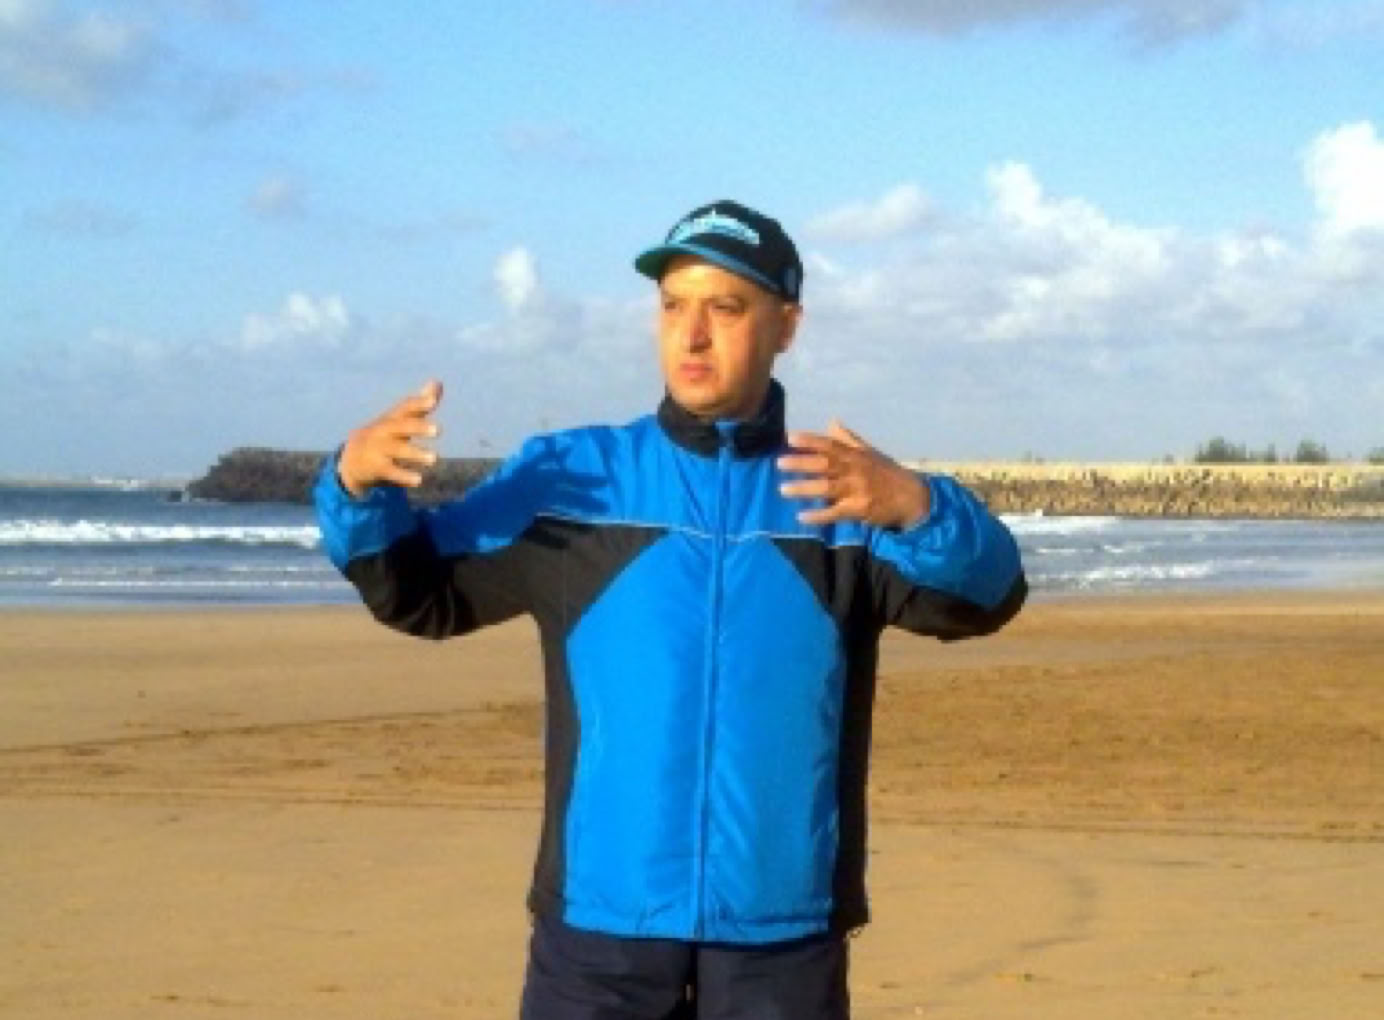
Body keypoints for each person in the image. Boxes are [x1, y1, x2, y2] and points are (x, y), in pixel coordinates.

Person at [314, 199, 1027, 1019]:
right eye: (672, 305)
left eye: (725, 307)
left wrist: (918, 507)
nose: (691, 335)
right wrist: (354, 486)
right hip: (599, 931)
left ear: (785, 325)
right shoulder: (574, 479)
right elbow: (419, 594)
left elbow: (988, 597)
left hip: (779, 934)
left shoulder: (838, 498)